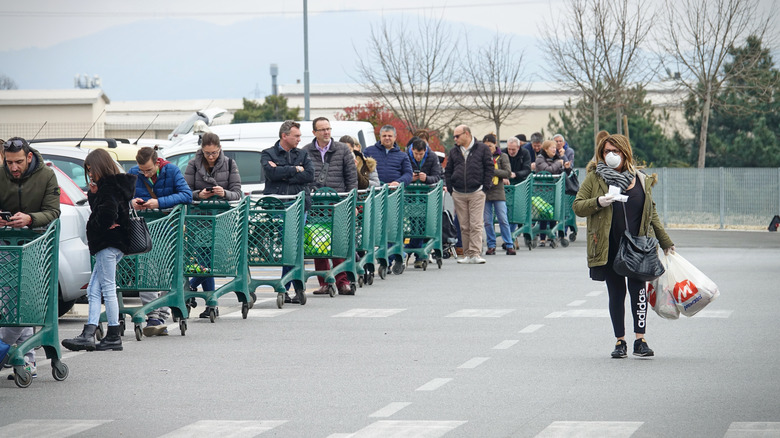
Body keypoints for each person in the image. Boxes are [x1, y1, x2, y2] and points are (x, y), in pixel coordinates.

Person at [572, 133, 675, 359]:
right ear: (601, 154)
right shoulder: (595, 178)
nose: (610, 155)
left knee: (638, 292)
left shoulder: (640, 179)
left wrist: (665, 241)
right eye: (606, 151)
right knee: (616, 293)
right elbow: (578, 206)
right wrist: (599, 202)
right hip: (609, 246)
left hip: (637, 247)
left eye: (615, 151)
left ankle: (641, 340)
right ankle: (620, 341)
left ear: (625, 153)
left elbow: (652, 212)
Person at [61, 148, 136, 352]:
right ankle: (92, 332)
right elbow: (106, 211)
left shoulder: (108, 188)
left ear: (99, 166)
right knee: (95, 289)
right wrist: (94, 197)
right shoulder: (114, 186)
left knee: (106, 288)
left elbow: (105, 215)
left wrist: (94, 224)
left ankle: (109, 334)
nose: (90, 174)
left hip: (108, 244)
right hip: (115, 244)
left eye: (91, 169)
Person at [0, 137, 61, 378]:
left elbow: (54, 211)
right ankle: (26, 358)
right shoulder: (1, 174)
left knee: (25, 300)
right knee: (12, 298)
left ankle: (11, 351)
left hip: (37, 244)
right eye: (9, 162)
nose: (13, 167)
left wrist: (30, 219)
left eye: (18, 162)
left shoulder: (46, 175)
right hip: (7, 243)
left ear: (28, 157)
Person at [128, 147, 192, 336]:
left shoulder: (171, 170)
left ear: (157, 163)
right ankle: (151, 314)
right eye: (142, 170)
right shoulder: (133, 173)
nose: (144, 173)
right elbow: (123, 196)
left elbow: (186, 195)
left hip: (167, 227)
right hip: (143, 228)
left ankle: (161, 314)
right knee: (146, 269)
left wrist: (159, 202)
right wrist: (132, 202)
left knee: (165, 269)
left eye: (148, 170)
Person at [184, 132, 242, 317]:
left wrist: (223, 193)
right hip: (199, 219)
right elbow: (186, 191)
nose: (211, 157)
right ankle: (211, 304)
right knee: (203, 260)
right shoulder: (193, 164)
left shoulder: (230, 163)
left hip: (222, 219)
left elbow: (237, 193)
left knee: (213, 260)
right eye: (207, 153)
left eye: (214, 153)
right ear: (202, 149)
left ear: (219, 149)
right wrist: (198, 195)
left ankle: (192, 285)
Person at [302, 117, 358, 295]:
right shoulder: (306, 151)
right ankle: (325, 282)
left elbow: (351, 179)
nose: (326, 132)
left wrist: (352, 203)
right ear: (314, 133)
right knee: (319, 244)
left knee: (338, 243)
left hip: (338, 204)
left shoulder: (342, 150)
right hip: (316, 205)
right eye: (322, 130)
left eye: (328, 129)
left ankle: (342, 281)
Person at [262, 120, 315, 302]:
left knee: (293, 246)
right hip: (278, 206)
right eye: (296, 136)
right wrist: (294, 170)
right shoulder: (268, 153)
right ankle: (290, 286)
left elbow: (309, 175)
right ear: (285, 136)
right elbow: (271, 175)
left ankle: (288, 286)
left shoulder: (303, 154)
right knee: (288, 246)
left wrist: (284, 174)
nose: (300, 139)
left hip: (299, 206)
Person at [444, 125, 493, 264]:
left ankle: (475, 253)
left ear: (466, 134)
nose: (455, 139)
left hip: (477, 191)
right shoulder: (454, 151)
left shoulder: (482, 148)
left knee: (476, 223)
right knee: (464, 225)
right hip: (458, 192)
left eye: (457, 136)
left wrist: (485, 187)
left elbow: (489, 168)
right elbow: (448, 170)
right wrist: (451, 188)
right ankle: (467, 253)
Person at [405, 136, 444, 267]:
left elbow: (438, 176)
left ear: (425, 151)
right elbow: (401, 174)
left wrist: (426, 178)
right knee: (412, 224)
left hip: (426, 196)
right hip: (409, 196)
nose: (418, 157)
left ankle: (418, 253)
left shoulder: (432, 157)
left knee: (423, 224)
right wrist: (409, 178)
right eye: (416, 154)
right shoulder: (405, 155)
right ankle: (417, 252)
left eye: (421, 154)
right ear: (412, 150)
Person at [481, 134, 515, 256]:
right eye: (485, 146)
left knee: (502, 218)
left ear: (495, 144)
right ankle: (491, 245)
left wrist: (492, 170)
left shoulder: (502, 156)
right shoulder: (481, 156)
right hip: (486, 191)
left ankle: (509, 244)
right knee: (487, 221)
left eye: (490, 146)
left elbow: (507, 172)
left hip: (498, 191)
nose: (488, 148)